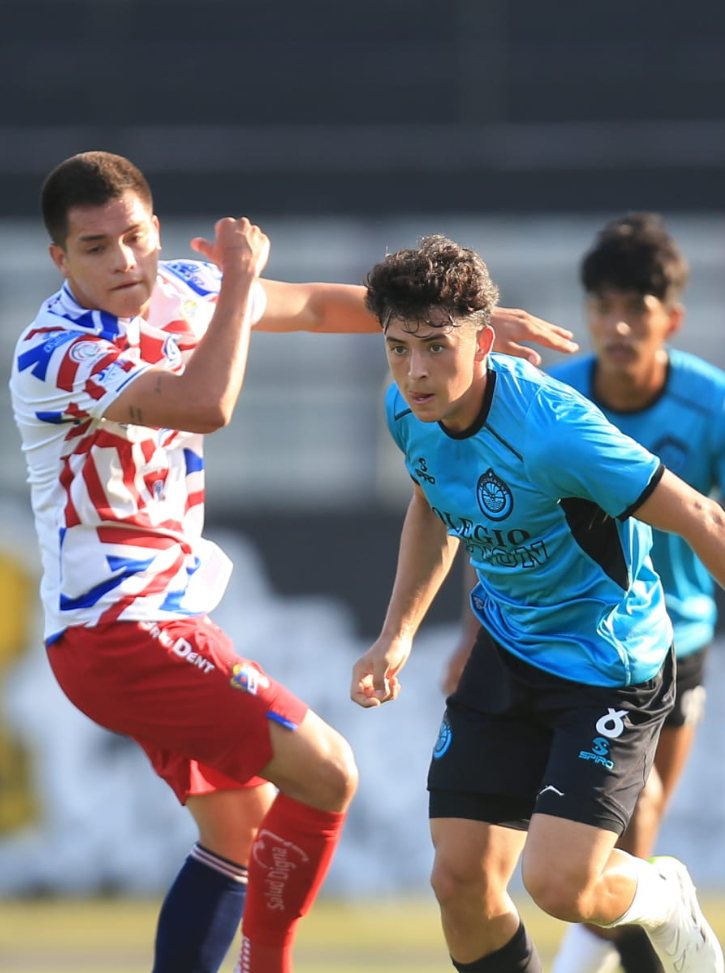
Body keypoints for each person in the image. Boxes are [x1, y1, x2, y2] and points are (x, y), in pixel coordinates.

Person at [7, 152, 577, 973]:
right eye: (96, 248)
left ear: (157, 230)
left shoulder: (182, 290)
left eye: (134, 237)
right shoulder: (53, 351)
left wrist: (463, 319)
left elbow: (312, 307)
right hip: (116, 628)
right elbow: (208, 402)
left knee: (238, 831)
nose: (125, 261)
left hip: (157, 619)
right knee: (329, 772)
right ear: (60, 260)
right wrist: (239, 280)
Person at [349, 234, 725, 973]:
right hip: (507, 646)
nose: (417, 370)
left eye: (435, 345)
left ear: (484, 340)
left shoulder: (558, 432)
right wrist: (398, 634)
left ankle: (663, 897)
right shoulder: (406, 407)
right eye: (398, 348)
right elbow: (432, 503)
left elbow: (707, 518)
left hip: (606, 663)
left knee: (559, 882)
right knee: (458, 881)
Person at [445, 212, 725, 973]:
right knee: (570, 856)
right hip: (553, 637)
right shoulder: (555, 398)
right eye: (602, 305)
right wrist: (470, 630)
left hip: (671, 640)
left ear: (669, 318)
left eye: (635, 308)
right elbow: (480, 500)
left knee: (632, 830)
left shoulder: (716, 405)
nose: (617, 323)